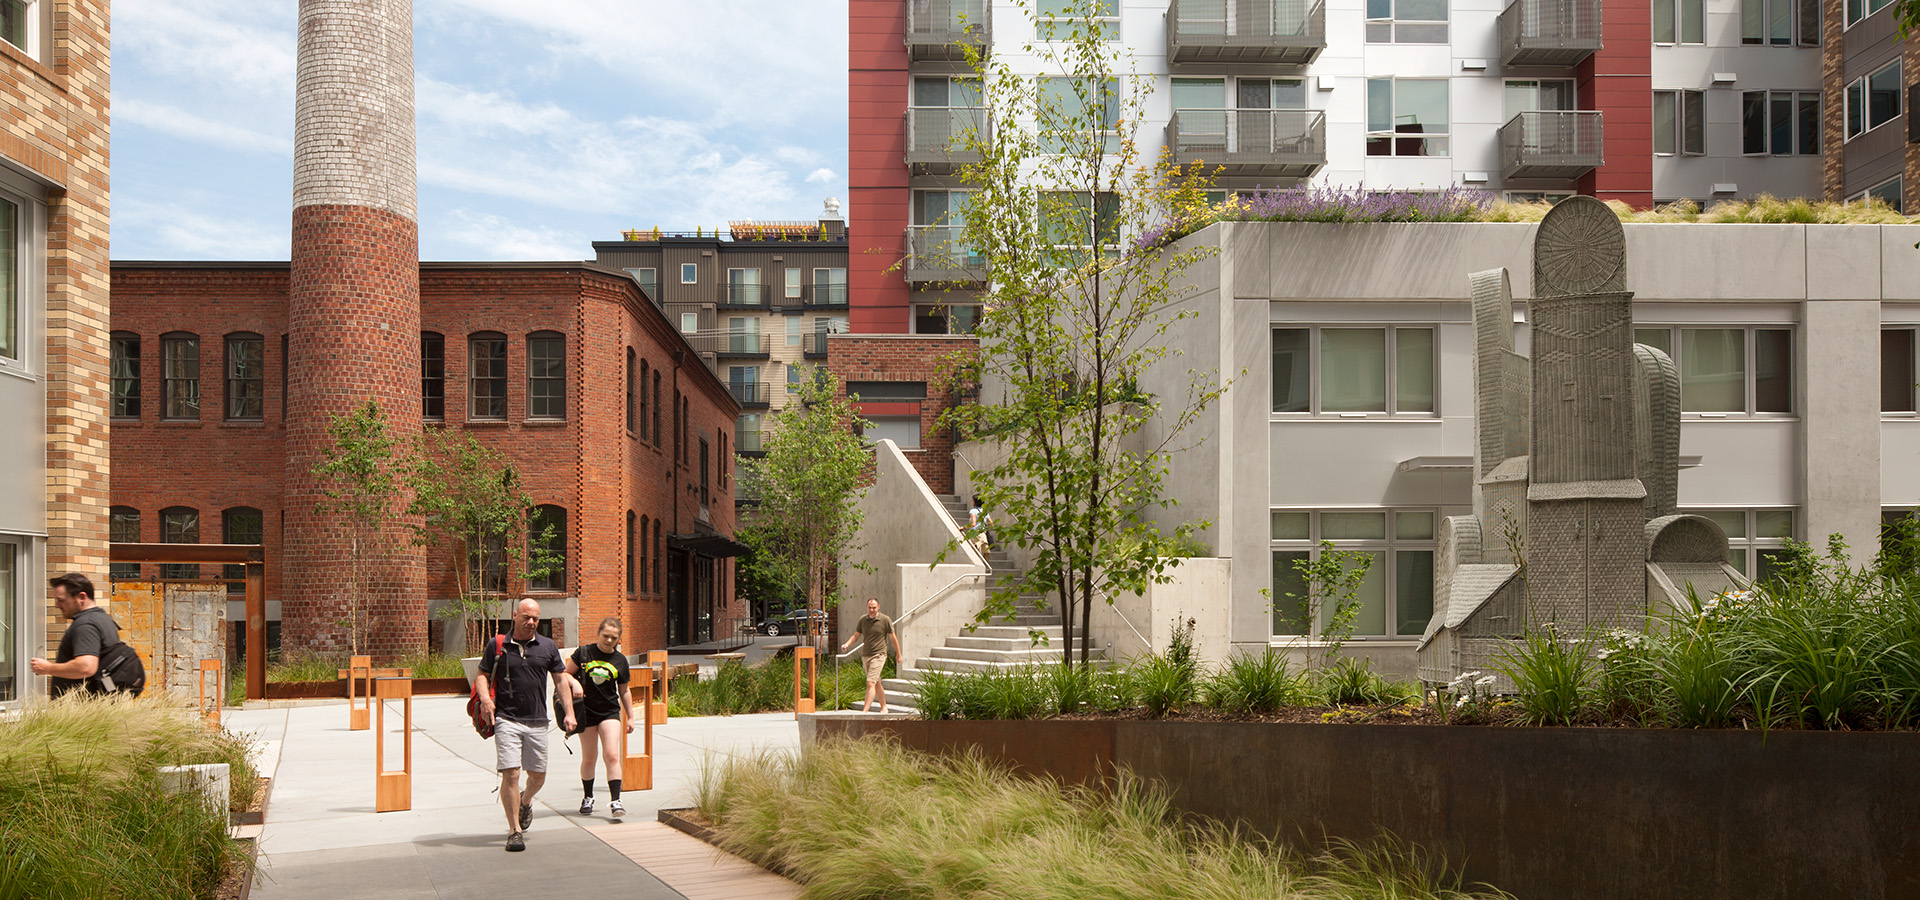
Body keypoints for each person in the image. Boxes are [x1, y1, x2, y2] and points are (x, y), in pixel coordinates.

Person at [474, 599, 574, 852]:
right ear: (515, 615)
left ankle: (526, 800)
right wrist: (486, 700)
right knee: (512, 773)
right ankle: (514, 830)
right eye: (526, 617)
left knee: (538, 776)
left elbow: (561, 681)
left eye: (536, 619)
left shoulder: (548, 646)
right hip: (506, 718)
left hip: (538, 720)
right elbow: (482, 675)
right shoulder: (497, 645)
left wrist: (569, 713)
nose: (531, 622)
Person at [562, 617, 634, 819]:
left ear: (619, 639)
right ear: (598, 634)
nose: (609, 640)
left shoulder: (620, 661)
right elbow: (564, 674)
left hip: (610, 711)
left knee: (611, 754)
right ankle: (588, 796)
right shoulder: (584, 653)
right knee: (590, 756)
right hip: (586, 712)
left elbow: (625, 691)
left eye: (614, 637)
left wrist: (630, 716)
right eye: (606, 636)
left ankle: (616, 800)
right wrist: (575, 684)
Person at [30, 573, 119, 698]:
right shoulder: (103, 618)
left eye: (61, 600)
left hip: (82, 710)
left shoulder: (86, 625)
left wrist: (48, 668)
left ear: (82, 597)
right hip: (96, 707)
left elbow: (85, 667)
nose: (57, 605)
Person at [838, 597, 902, 713]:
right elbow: (856, 636)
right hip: (866, 655)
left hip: (879, 654)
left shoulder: (885, 620)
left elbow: (893, 638)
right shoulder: (863, 620)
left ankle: (865, 711)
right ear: (867, 607)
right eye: (869, 607)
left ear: (878, 607)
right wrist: (847, 644)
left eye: (874, 607)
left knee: (870, 682)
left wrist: (899, 654)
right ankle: (884, 707)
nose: (871, 610)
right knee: (876, 682)